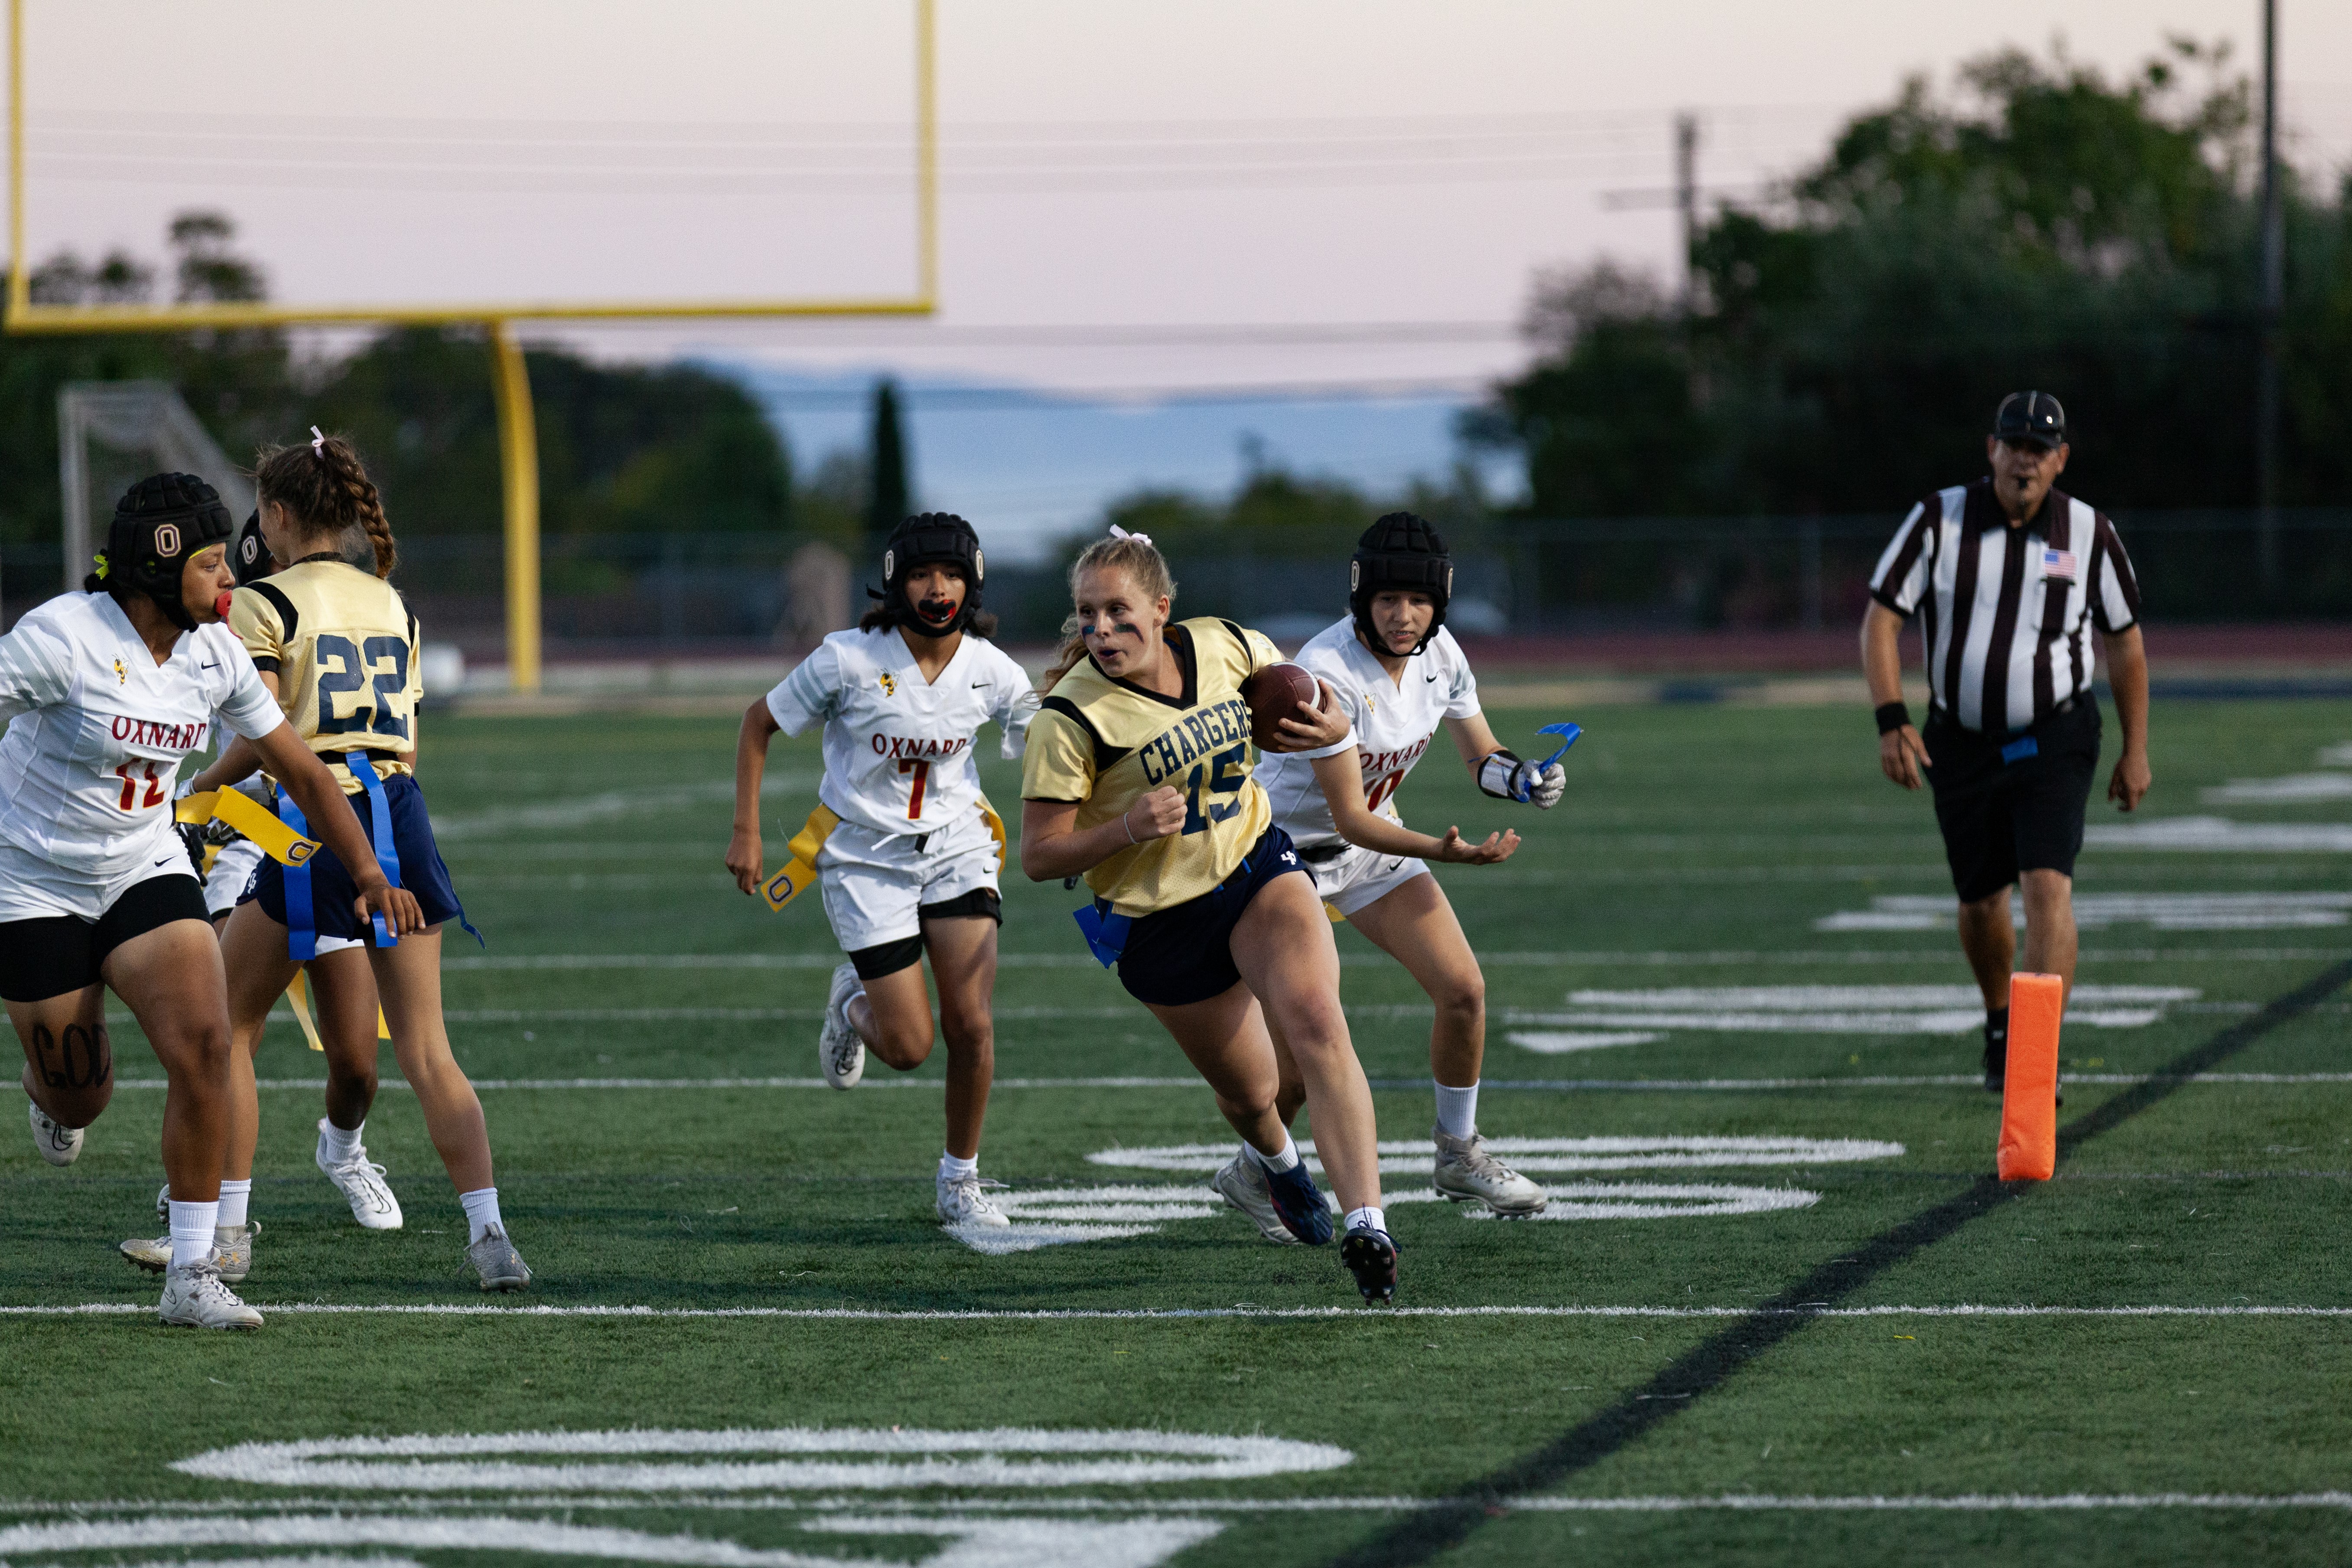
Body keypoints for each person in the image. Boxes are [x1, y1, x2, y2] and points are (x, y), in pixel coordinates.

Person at [3, 472, 416, 1329]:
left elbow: (299, 768)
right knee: (84, 1096)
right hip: (32, 877)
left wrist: (370, 870)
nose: (232, 577)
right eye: (210, 562)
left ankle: (192, 1274)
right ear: (156, 568)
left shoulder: (217, 649)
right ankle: (49, 1093)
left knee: (205, 1042)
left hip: (145, 864)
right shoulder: (61, 638)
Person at [183, 431, 530, 1290]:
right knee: (428, 1051)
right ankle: (490, 1236)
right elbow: (405, 753)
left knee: (225, 1029)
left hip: (317, 816)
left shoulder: (266, 604)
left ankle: (228, 1231)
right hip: (401, 815)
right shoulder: (390, 603)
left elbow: (268, 744)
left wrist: (197, 801)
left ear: (277, 514)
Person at [1017, 528, 1402, 1303]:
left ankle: (1370, 1222)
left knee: (1319, 1022)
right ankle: (1278, 1164)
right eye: (1087, 614)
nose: (1101, 630)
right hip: (1159, 920)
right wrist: (1124, 828)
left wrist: (1333, 728)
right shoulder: (1070, 718)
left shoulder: (1225, 643)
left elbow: (1306, 702)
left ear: (1162, 610)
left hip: (1253, 865)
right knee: (1254, 1095)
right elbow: (1039, 855)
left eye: (1119, 611)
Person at [727, 514, 1036, 1230]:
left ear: (974, 582)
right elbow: (757, 723)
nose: (939, 589)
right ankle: (850, 1002)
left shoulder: (992, 668)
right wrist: (747, 830)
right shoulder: (848, 658)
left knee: (973, 1024)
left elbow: (1049, 738)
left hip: (959, 847)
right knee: (907, 1047)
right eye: (925, 574)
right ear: (896, 581)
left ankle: (960, 1178)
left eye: (954, 575)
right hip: (866, 859)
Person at [1249, 513, 1554, 1230]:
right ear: (1362, 595)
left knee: (1464, 990)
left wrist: (1526, 780)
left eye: (1418, 600)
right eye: (1388, 598)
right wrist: (1445, 851)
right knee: (1291, 1070)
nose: (1403, 613)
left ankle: (1457, 1151)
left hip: (1368, 845)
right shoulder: (1327, 675)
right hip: (1284, 858)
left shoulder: (1442, 653)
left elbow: (1481, 755)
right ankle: (1252, 1168)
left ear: (1439, 602)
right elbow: (1350, 818)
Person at [1863, 391, 2152, 1090]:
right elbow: (1881, 620)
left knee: (2047, 885)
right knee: (1981, 899)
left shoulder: (2087, 531)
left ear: (2060, 460)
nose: (2025, 457)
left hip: (2056, 733)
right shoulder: (1939, 519)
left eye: (2039, 446)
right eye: (2013, 442)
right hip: (1959, 740)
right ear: (1990, 448)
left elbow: (2127, 645)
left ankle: (2033, 1053)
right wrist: (1892, 717)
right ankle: (2000, 1020)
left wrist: (2135, 747)